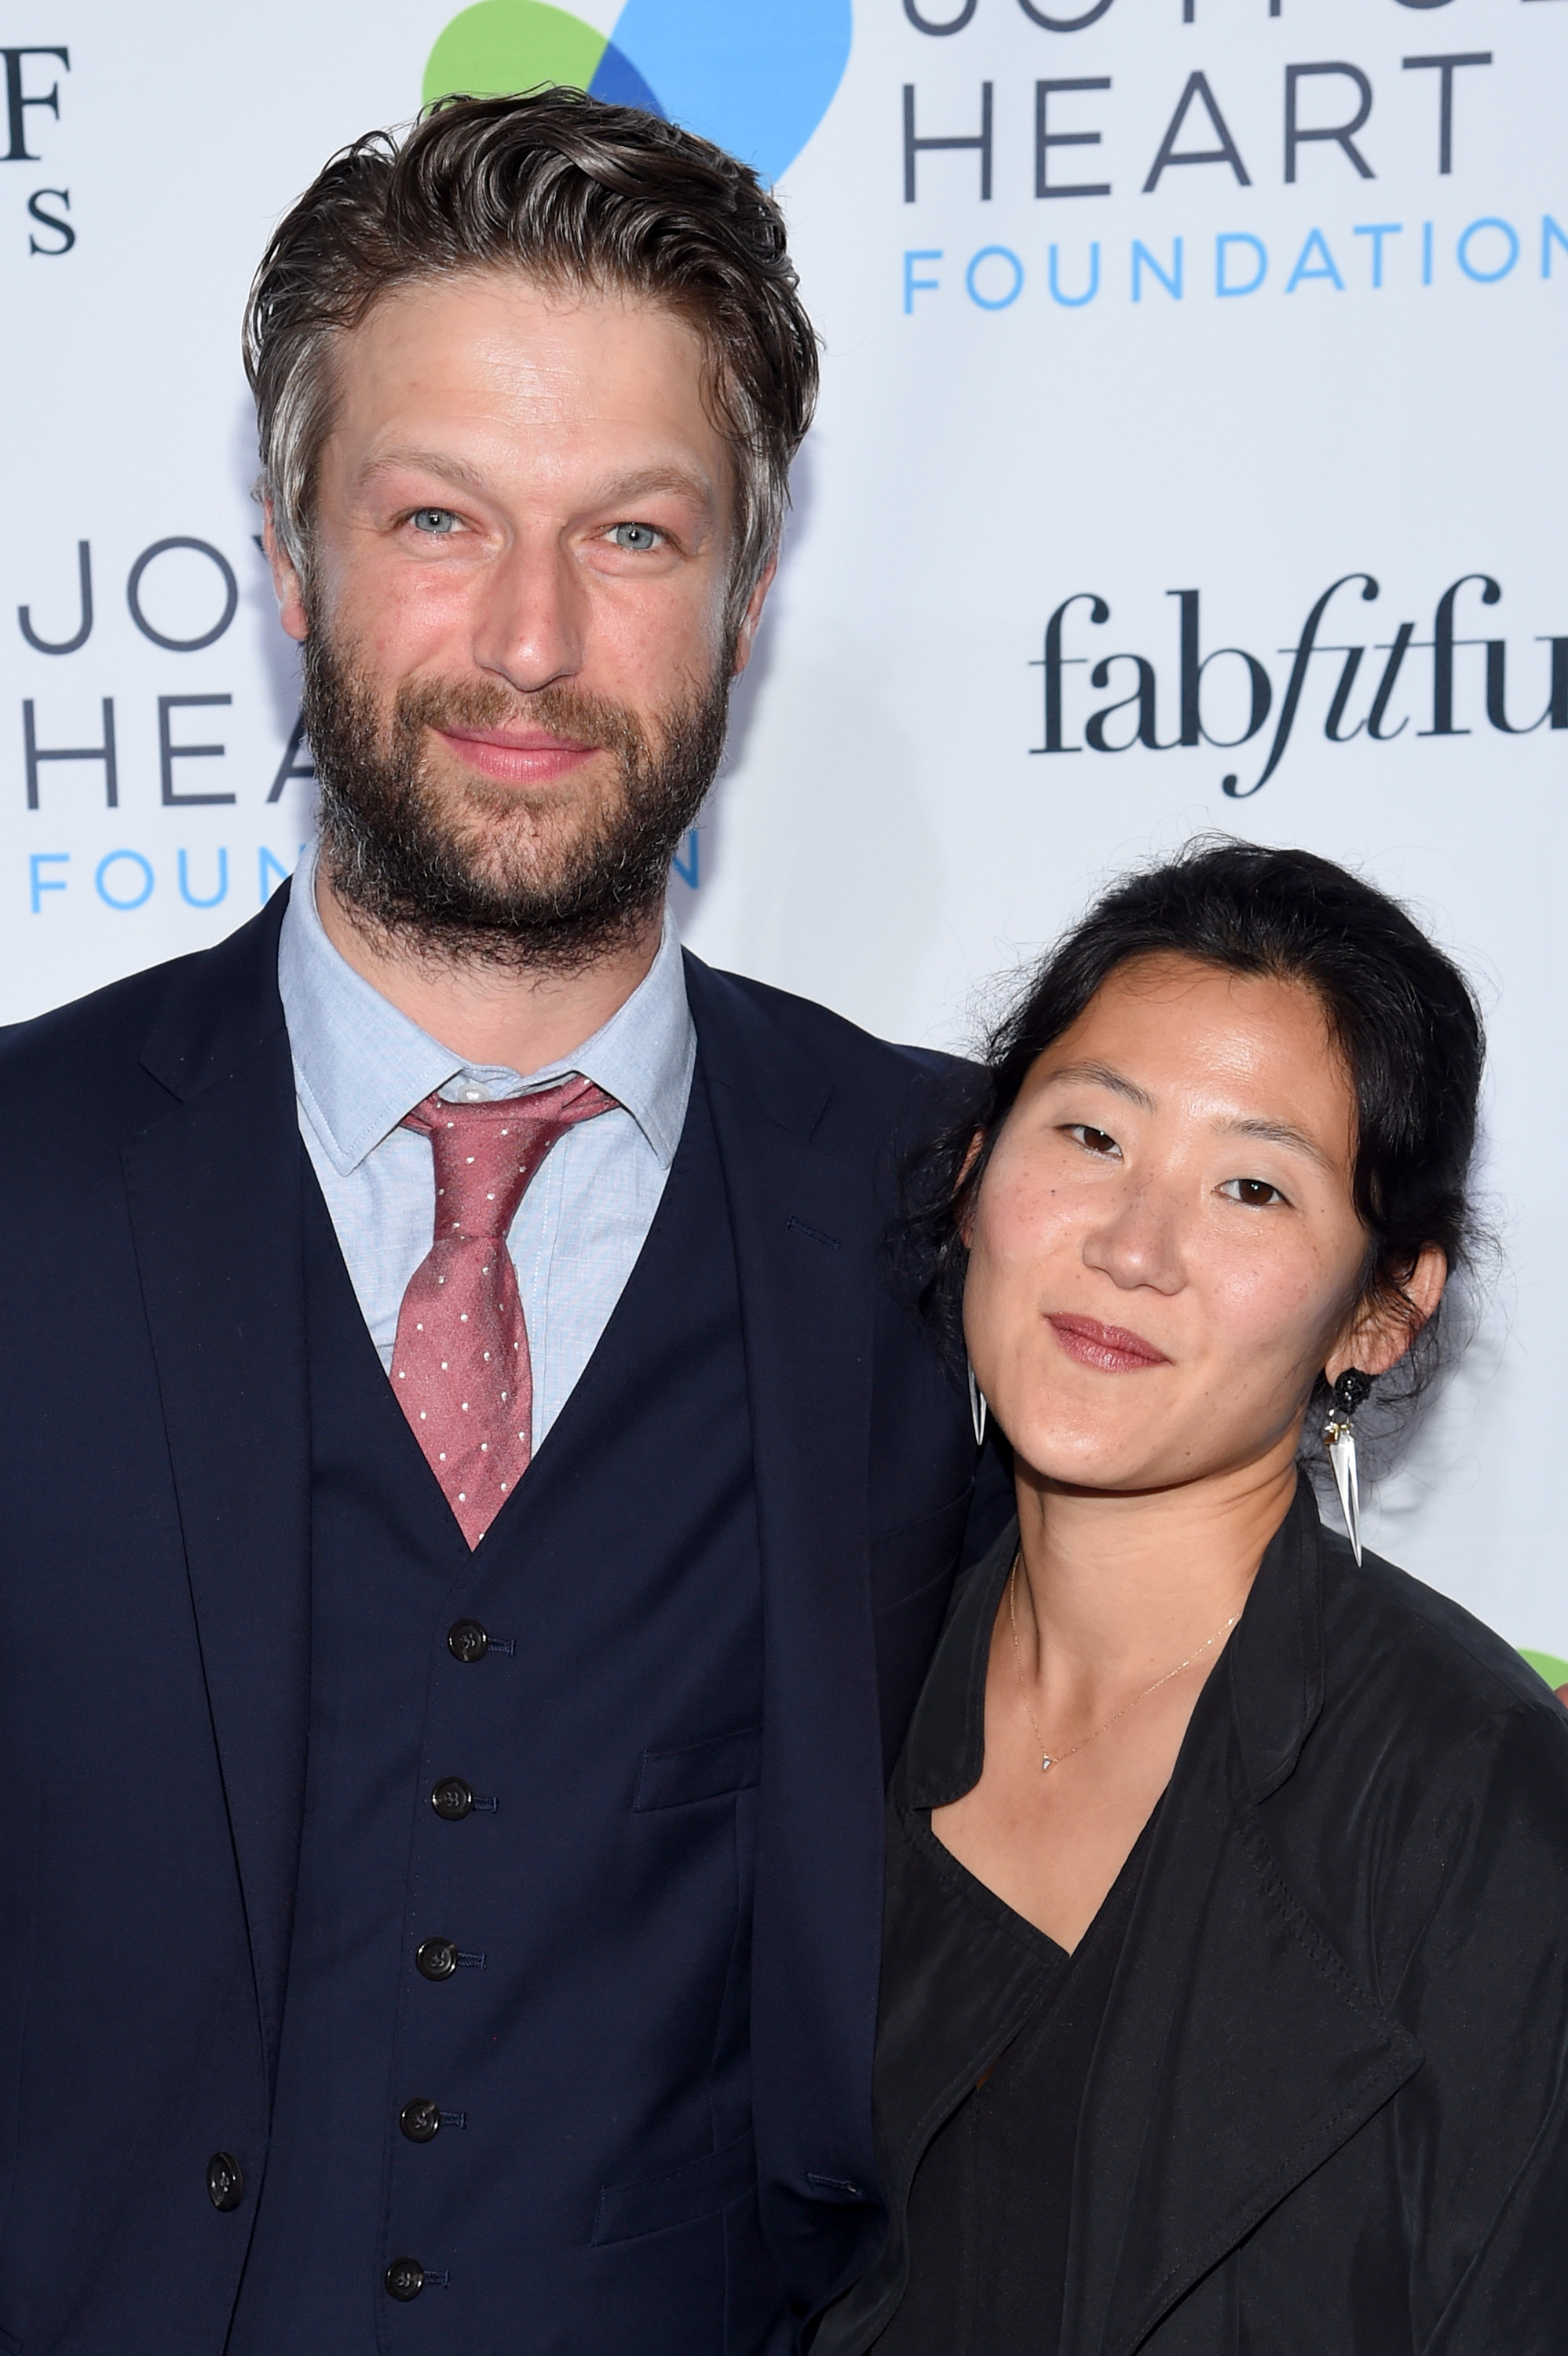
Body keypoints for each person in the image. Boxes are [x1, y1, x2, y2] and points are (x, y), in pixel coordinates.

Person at [0, 93, 1010, 2355]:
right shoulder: (21, 1176)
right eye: (438, 517)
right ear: (294, 559)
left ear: (746, 597)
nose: (533, 640)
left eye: (633, 534)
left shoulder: (958, 1209)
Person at [813, 840, 1568, 2356]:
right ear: (974, 1177)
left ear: (1379, 1310)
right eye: (1092, 1136)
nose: (1132, 1247)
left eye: (1249, 1187)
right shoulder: (826, 1679)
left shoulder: (1481, 1810)